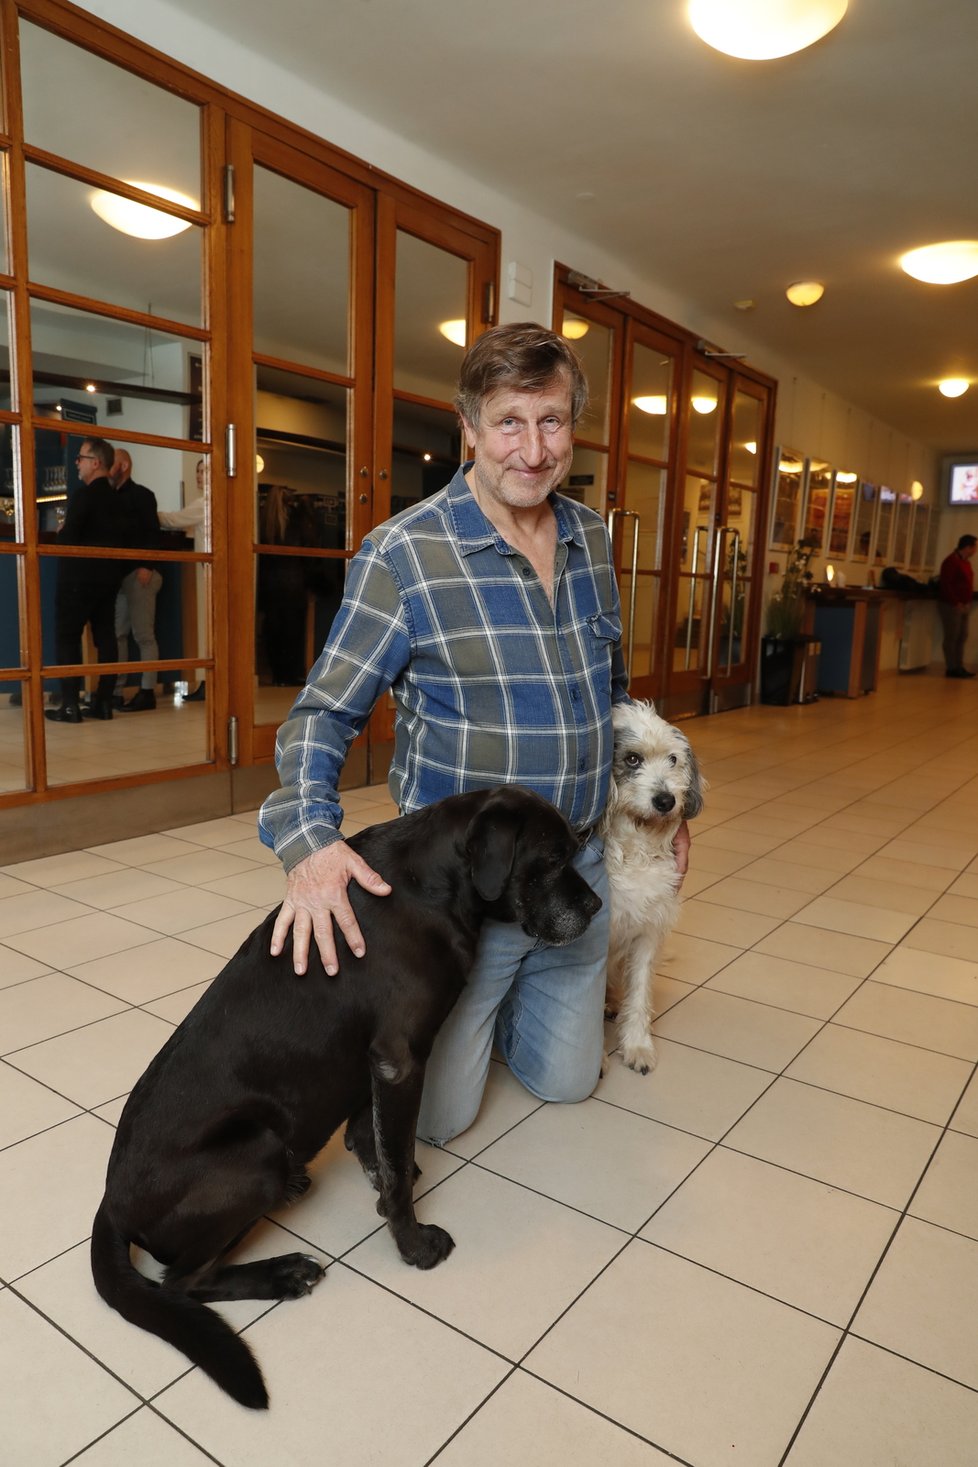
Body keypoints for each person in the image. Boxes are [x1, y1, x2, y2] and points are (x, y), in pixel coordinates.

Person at [259, 322, 690, 1147]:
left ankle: (510, 995)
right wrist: (310, 841)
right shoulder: (403, 554)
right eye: (509, 422)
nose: (533, 450)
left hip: (573, 864)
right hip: (467, 888)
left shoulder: (591, 538)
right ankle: (465, 996)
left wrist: (668, 812)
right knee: (440, 1121)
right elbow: (322, 713)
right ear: (469, 427)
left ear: (573, 423)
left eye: (553, 420)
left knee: (568, 1085)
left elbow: (611, 696)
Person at [45, 437, 127, 725]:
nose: (76, 462)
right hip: (108, 579)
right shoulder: (118, 498)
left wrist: (63, 529)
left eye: (80, 457)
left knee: (67, 637)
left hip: (77, 578)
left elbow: (69, 538)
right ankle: (103, 702)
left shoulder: (85, 495)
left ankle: (70, 705)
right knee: (105, 637)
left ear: (96, 463)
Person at [111, 449, 164, 711]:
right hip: (119, 575)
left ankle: (147, 691)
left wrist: (147, 565)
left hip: (139, 573)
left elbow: (153, 534)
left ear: (123, 465)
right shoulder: (107, 497)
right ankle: (116, 690)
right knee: (118, 634)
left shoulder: (142, 495)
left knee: (143, 635)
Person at [158, 458, 207, 700]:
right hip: (211, 570)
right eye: (197, 471)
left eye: (203, 471)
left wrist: (146, 511)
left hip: (209, 571)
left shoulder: (204, 503)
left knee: (207, 628)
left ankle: (207, 683)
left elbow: (172, 520)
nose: (199, 476)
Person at [937, 533, 977, 678]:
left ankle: (959, 666)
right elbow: (946, 585)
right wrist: (956, 602)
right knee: (952, 637)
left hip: (964, 605)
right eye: (974, 547)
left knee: (962, 636)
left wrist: (967, 602)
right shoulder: (951, 561)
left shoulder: (966, 562)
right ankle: (951, 667)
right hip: (951, 606)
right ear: (967, 547)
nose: (975, 550)